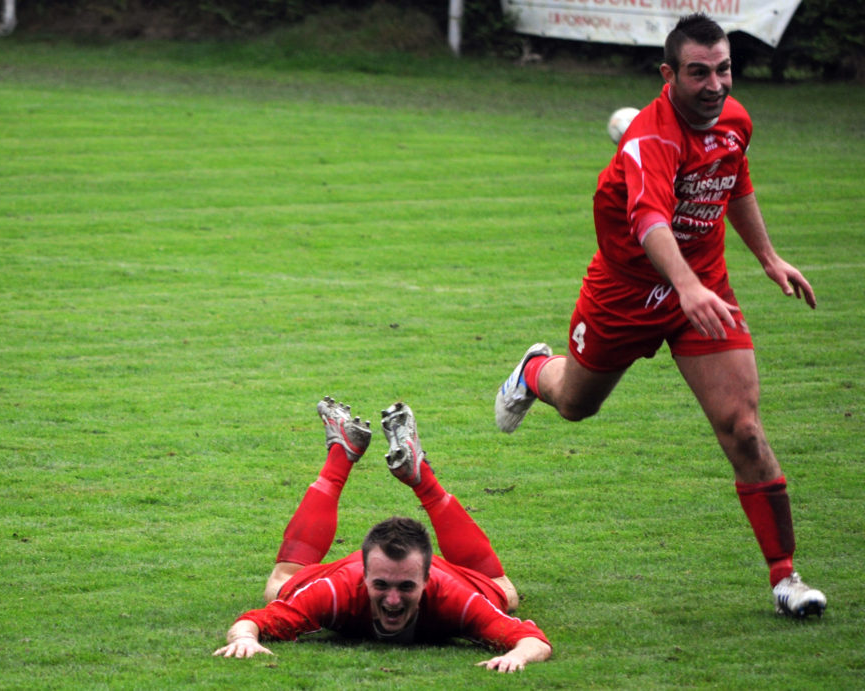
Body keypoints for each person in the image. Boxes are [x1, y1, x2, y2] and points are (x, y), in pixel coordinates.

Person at [494, 13, 825, 618]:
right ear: (668, 74)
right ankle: (534, 370)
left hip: (704, 289)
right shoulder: (650, 141)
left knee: (744, 428)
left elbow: (735, 179)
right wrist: (684, 285)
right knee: (575, 403)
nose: (716, 84)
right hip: (624, 292)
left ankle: (786, 578)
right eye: (699, 73)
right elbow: (649, 221)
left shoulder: (735, 121)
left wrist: (769, 257)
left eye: (724, 69)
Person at [213, 397, 552, 673]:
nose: (392, 600)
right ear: (364, 575)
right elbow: (252, 623)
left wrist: (517, 657)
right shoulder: (336, 591)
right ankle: (419, 479)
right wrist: (244, 639)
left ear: (427, 579)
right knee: (502, 591)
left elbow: (533, 640)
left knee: (505, 598)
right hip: (345, 575)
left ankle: (343, 452)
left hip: (447, 580)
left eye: (406, 586)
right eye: (381, 585)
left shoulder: (452, 597)